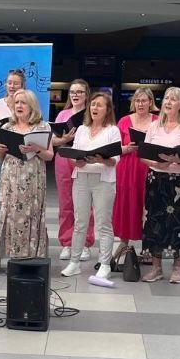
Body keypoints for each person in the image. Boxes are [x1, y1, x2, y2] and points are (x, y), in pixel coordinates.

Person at [141, 87, 180, 284]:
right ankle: (156, 268)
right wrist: (157, 164)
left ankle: (177, 267)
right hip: (156, 178)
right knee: (154, 222)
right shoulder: (154, 125)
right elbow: (143, 155)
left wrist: (176, 159)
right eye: (166, 98)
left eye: (173, 99)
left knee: (178, 222)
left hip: (179, 182)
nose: (168, 102)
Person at [63, 92, 121, 282]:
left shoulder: (112, 130)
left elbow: (115, 160)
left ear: (108, 110)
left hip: (103, 180)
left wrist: (102, 159)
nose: (94, 108)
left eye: (99, 105)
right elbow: (74, 153)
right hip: (81, 177)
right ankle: (74, 262)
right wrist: (75, 161)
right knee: (80, 222)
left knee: (103, 223)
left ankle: (105, 264)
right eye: (93, 104)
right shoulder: (81, 129)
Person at [0, 89, 54, 259]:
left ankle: (31, 254)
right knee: (10, 213)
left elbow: (50, 155)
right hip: (10, 178)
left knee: (30, 212)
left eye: (23, 102)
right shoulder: (7, 127)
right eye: (17, 102)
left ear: (31, 106)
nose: (19, 105)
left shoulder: (42, 126)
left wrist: (37, 149)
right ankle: (12, 253)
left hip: (32, 177)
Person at [53, 79, 95, 263]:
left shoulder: (91, 114)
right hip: (63, 157)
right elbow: (52, 140)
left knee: (86, 202)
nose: (75, 95)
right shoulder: (62, 114)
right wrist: (64, 139)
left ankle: (85, 243)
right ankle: (67, 243)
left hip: (84, 158)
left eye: (79, 92)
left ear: (86, 94)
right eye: (72, 92)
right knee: (65, 203)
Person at [113, 88, 157, 258]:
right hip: (127, 167)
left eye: (144, 100)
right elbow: (114, 147)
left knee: (149, 205)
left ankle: (148, 247)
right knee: (126, 203)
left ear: (150, 102)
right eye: (137, 101)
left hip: (148, 166)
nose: (140, 104)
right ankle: (123, 243)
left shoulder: (157, 121)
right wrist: (126, 148)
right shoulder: (124, 121)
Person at [0, 68, 26, 245]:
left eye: (16, 83)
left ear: (22, 85)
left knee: (18, 203)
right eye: (9, 82)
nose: (12, 86)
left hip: (19, 156)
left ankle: (17, 246)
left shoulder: (27, 104)